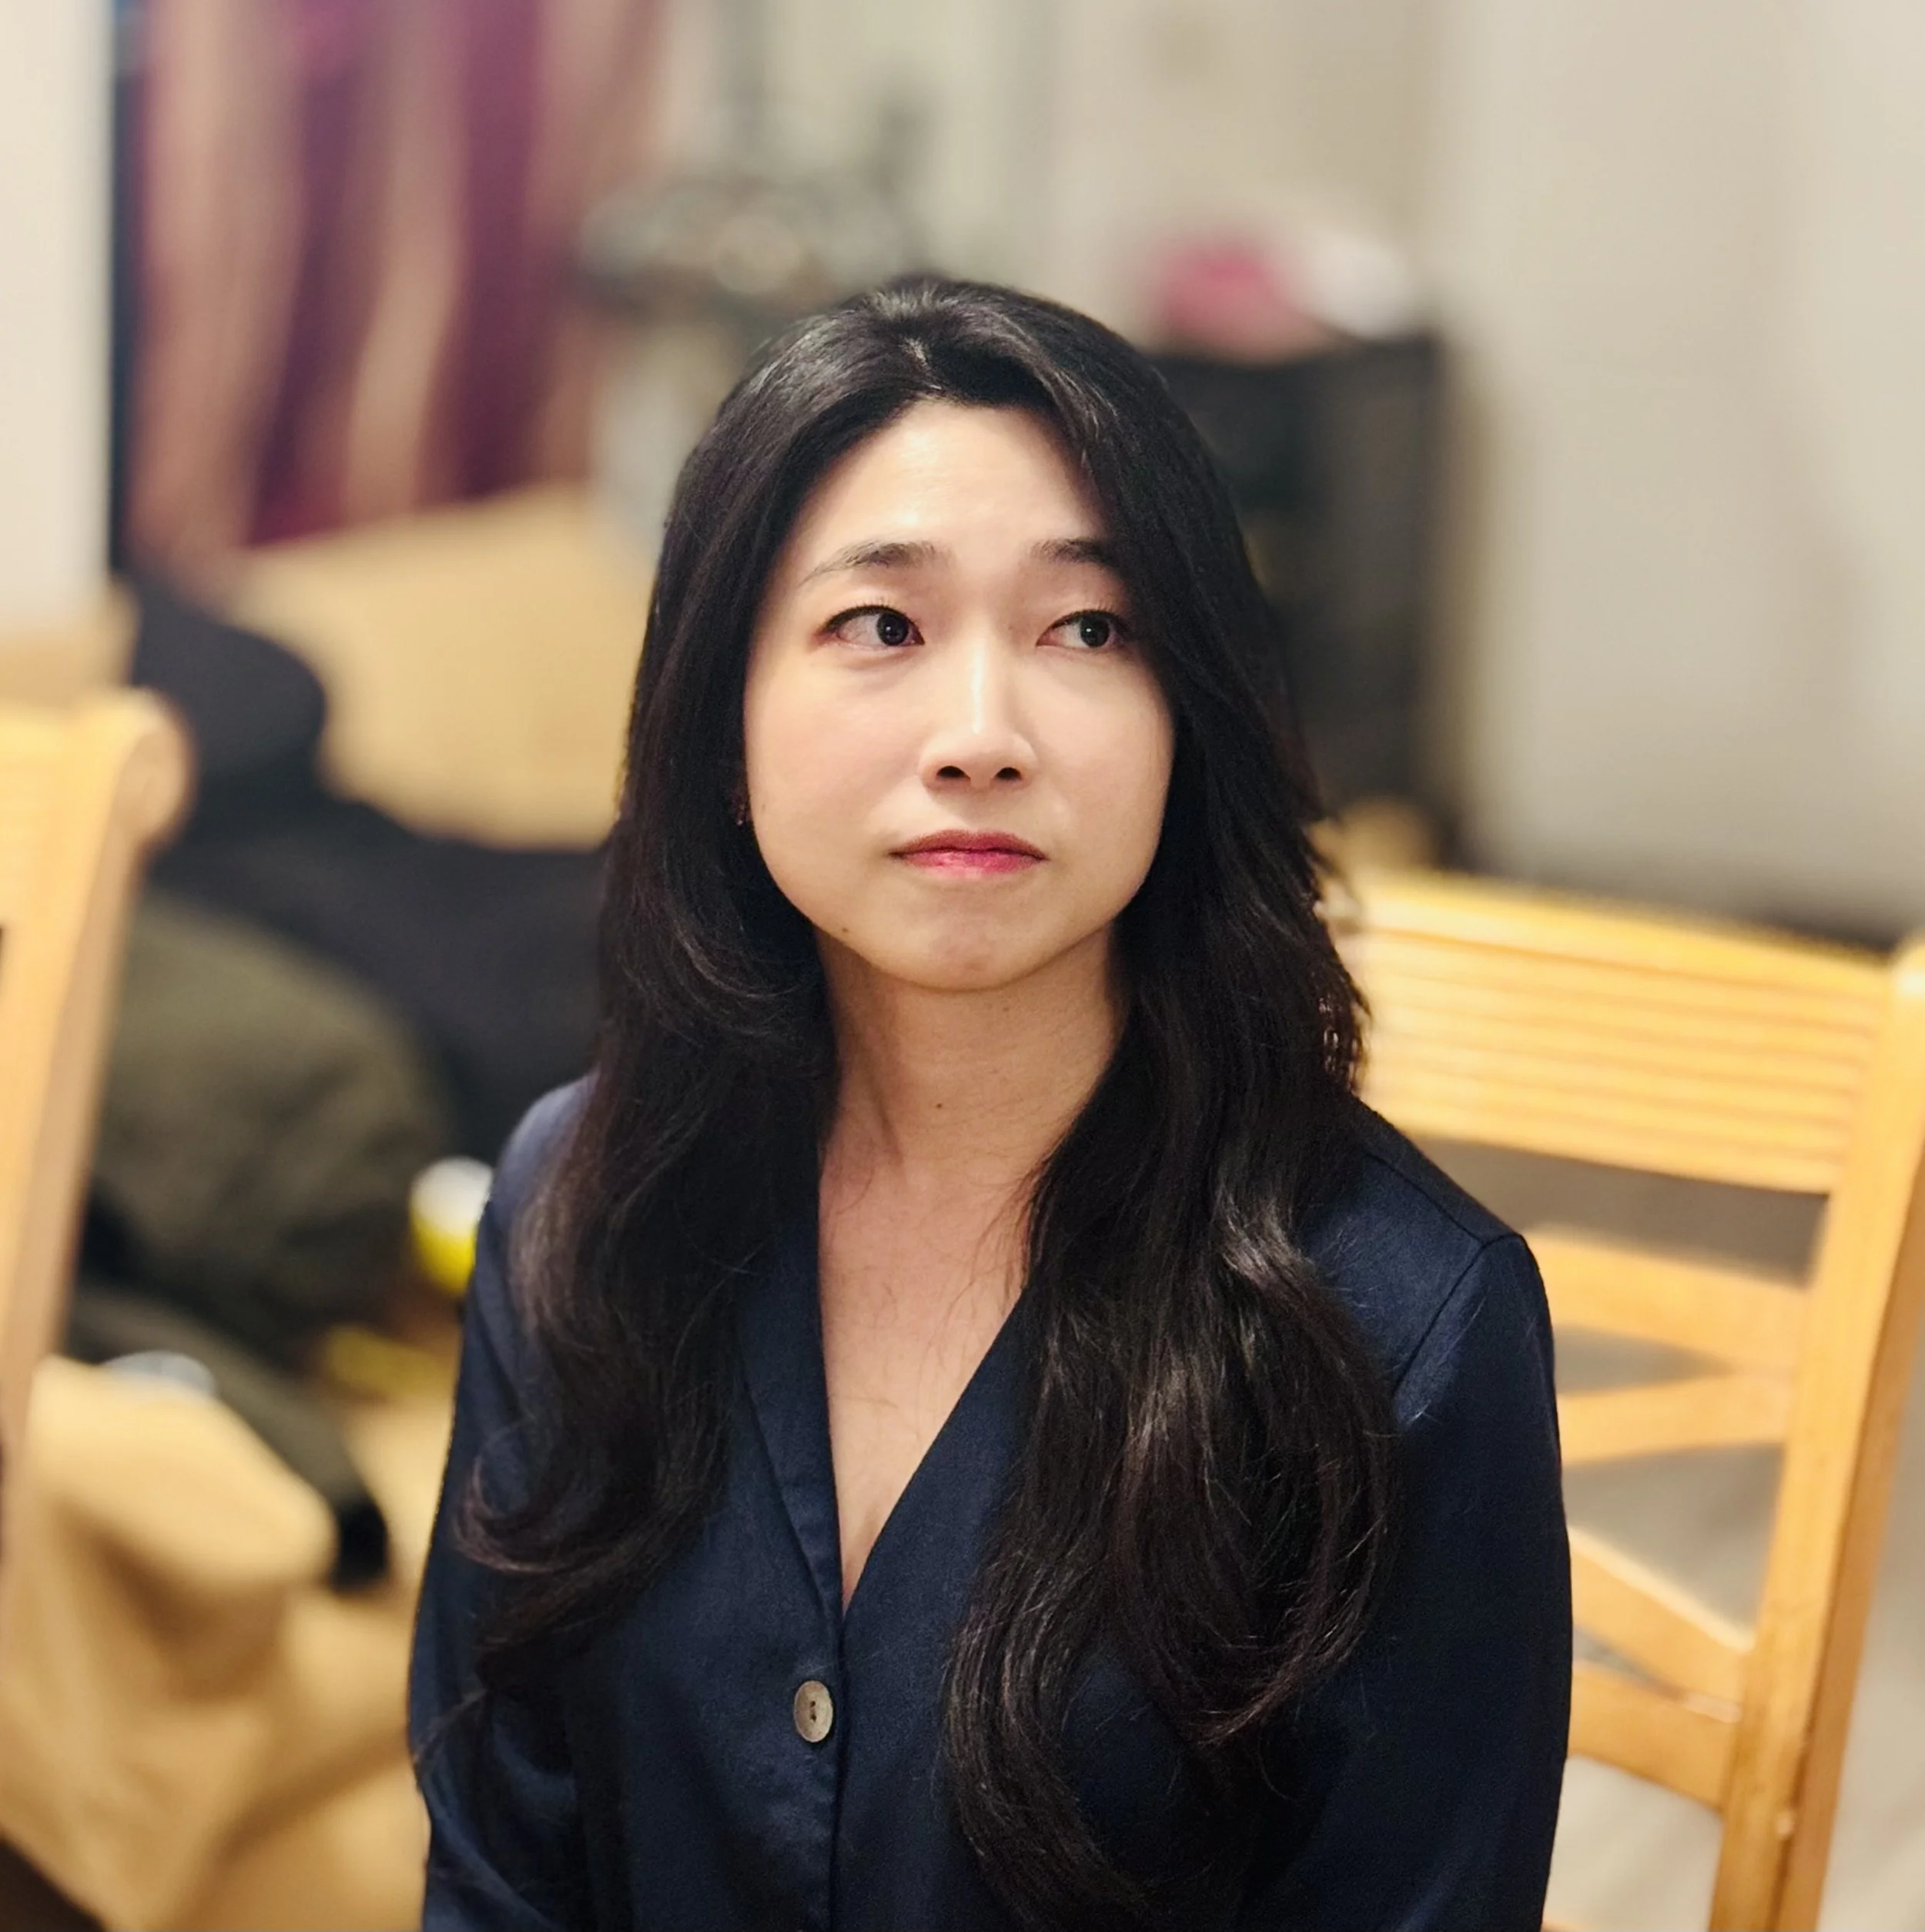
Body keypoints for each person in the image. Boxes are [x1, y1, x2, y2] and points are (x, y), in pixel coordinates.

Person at [411, 277, 1570, 1932]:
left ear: (1188, 725)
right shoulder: (578, 1202)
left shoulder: (1404, 1327)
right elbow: (498, 1878)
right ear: (722, 726)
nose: (979, 737)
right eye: (879, 626)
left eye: (1086, 630)